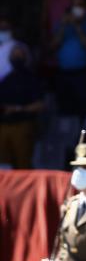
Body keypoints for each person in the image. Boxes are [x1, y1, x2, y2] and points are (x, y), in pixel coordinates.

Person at [51, 0, 86, 117]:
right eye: (74, 5)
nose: (77, 8)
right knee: (64, 111)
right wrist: (64, 26)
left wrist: (77, 26)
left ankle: (82, 136)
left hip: (83, 75)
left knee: (83, 111)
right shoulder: (60, 24)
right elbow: (53, 46)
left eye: (80, 5)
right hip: (62, 73)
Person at [0, 19, 41, 168]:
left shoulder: (31, 80)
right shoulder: (4, 81)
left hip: (23, 126)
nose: (16, 57)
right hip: (3, 126)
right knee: (4, 167)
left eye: (19, 55)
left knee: (23, 165)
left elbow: (40, 105)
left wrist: (18, 109)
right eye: (14, 55)